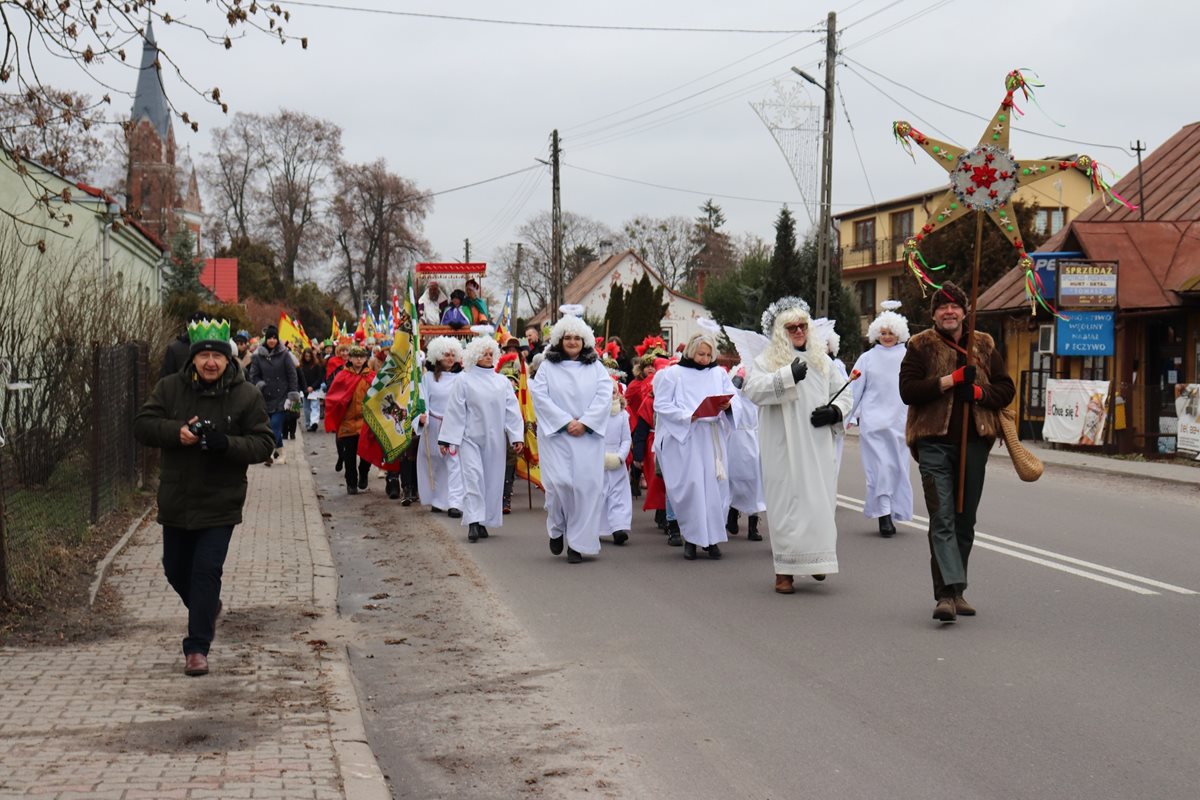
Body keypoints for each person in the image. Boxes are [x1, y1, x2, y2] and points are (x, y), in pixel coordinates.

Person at [133, 318, 274, 676]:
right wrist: (176, 432)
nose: (211, 362)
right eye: (204, 356)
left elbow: (263, 443)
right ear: (193, 358)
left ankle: (197, 648)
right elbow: (143, 425)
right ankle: (207, 607)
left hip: (220, 500)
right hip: (177, 498)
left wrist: (228, 444)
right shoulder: (169, 388)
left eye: (217, 356)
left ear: (228, 359)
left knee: (206, 571)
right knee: (175, 569)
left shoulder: (246, 395)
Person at [899, 282, 1015, 622]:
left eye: (955, 307)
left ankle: (957, 590)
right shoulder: (920, 345)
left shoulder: (984, 344)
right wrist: (949, 381)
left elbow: (1006, 388)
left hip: (975, 443)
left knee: (965, 520)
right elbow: (908, 390)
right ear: (934, 314)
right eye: (942, 307)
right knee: (942, 517)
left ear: (965, 312)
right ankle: (946, 596)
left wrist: (978, 393)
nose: (948, 312)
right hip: (933, 442)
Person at [743, 297, 854, 593]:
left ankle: (816, 560)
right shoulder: (768, 360)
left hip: (817, 445)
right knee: (787, 505)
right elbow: (752, 389)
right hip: (783, 446)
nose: (798, 331)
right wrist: (786, 376)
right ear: (782, 331)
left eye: (802, 325)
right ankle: (785, 572)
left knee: (819, 504)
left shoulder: (822, 360)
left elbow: (844, 393)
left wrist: (835, 411)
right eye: (791, 327)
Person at [530, 309, 614, 564]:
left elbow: (604, 395)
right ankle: (557, 526)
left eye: (577, 338)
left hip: (587, 438)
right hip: (557, 437)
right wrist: (566, 422)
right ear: (559, 339)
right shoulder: (547, 367)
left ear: (584, 340)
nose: (572, 342)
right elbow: (540, 396)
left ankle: (577, 544)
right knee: (560, 485)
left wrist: (585, 423)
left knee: (584, 489)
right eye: (567, 337)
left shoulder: (596, 367)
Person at [653, 329, 736, 561]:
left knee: (716, 489)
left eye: (709, 355)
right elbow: (662, 404)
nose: (704, 359)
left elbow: (733, 398)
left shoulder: (718, 373)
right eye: (700, 354)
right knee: (693, 488)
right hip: (688, 438)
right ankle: (691, 539)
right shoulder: (674, 374)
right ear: (691, 351)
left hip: (712, 437)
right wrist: (687, 416)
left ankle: (713, 540)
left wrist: (728, 406)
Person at [438, 329, 524, 542]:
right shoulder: (464, 380)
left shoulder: (502, 382)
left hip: (495, 440)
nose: (488, 356)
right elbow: (455, 410)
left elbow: (512, 410)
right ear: (474, 355)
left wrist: (516, 436)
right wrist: (447, 439)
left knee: (492, 481)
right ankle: (473, 522)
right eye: (483, 353)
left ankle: (484, 520)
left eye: (490, 353)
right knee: (473, 478)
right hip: (470, 438)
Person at [847, 301, 913, 537]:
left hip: (900, 421)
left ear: (899, 334)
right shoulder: (867, 358)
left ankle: (895, 511)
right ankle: (884, 515)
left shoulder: (908, 356)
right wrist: (846, 415)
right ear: (876, 333)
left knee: (897, 468)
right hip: (874, 422)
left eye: (891, 333)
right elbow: (854, 389)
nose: (886, 337)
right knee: (880, 468)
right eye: (882, 333)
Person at [416, 337, 465, 517]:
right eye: (446, 354)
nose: (450, 358)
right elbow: (422, 399)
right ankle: (437, 499)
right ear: (438, 356)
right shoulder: (428, 378)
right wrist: (422, 416)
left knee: (455, 463)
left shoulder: (462, 378)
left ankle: (455, 503)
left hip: (454, 425)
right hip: (433, 425)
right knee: (435, 463)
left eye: (453, 355)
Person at [324, 345, 375, 495]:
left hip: (366, 422)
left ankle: (364, 472)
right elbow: (333, 396)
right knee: (349, 455)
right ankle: (351, 482)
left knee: (367, 454)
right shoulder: (342, 376)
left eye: (362, 357)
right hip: (348, 421)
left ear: (365, 359)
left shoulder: (371, 377)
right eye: (355, 357)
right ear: (350, 359)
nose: (359, 360)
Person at [246, 325, 299, 465]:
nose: (272, 340)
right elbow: (253, 375)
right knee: (269, 426)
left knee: (275, 425)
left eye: (275, 338)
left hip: (282, 397)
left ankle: (267, 453)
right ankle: (281, 453)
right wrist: (260, 384)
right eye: (270, 337)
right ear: (266, 339)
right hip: (265, 396)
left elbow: (292, 375)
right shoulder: (258, 356)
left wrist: (292, 396)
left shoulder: (285, 354)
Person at [725, 367, 766, 542]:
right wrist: (738, 380)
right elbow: (729, 398)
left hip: (756, 437)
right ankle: (732, 513)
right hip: (737, 437)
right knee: (734, 479)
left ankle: (753, 525)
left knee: (755, 482)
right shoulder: (736, 389)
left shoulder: (759, 391)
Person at [600, 384, 633, 546]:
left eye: (613, 392)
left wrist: (620, 456)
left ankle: (618, 528)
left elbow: (626, 439)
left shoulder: (623, 415)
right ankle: (597, 528)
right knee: (599, 496)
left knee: (618, 496)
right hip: (598, 460)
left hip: (616, 461)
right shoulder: (597, 414)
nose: (610, 396)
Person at [159, 310, 208, 378]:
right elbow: (166, 377)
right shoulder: (175, 349)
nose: (197, 327)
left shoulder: (174, 348)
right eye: (195, 324)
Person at [298, 348, 325, 432]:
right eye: (306, 356)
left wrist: (313, 387)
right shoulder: (301, 366)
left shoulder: (316, 365)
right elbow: (300, 378)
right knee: (306, 408)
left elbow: (319, 378)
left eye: (309, 356)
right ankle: (308, 424)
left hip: (315, 389)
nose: (308, 358)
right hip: (305, 390)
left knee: (315, 406)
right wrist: (304, 388)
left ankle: (314, 423)